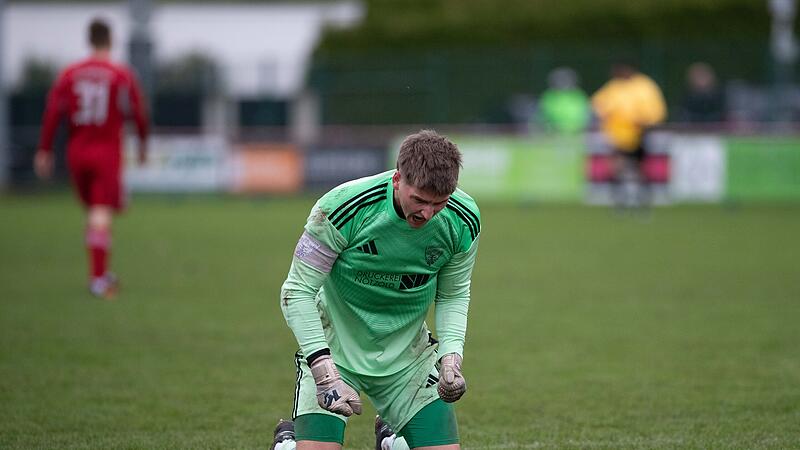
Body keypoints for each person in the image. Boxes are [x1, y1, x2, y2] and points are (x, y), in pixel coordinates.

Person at [272, 130, 481, 450]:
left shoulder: (462, 219)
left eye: (439, 203)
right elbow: (297, 290)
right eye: (420, 200)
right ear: (398, 179)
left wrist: (451, 357)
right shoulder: (342, 207)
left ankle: (392, 443)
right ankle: (288, 445)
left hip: (410, 360)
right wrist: (324, 373)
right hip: (335, 353)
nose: (427, 214)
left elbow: (453, 293)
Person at [34, 18, 149, 299]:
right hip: (105, 151)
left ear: (89, 40)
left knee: (95, 212)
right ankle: (98, 278)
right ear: (111, 40)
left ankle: (100, 270)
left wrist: (45, 149)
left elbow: (52, 113)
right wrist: (143, 143)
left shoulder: (70, 74)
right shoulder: (120, 74)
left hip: (76, 151)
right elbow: (138, 113)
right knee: (101, 212)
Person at [591, 62, 666, 209]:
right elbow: (598, 106)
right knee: (617, 168)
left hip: (640, 134)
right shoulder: (613, 87)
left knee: (640, 168)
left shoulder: (645, 86)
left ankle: (642, 200)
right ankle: (620, 201)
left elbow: (655, 111)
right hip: (618, 135)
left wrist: (645, 121)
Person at [537, 67, 591, 135]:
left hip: (578, 132)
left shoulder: (579, 95)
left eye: (565, 80)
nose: (563, 83)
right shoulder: (549, 96)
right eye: (560, 80)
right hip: (553, 133)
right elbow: (542, 116)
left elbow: (586, 114)